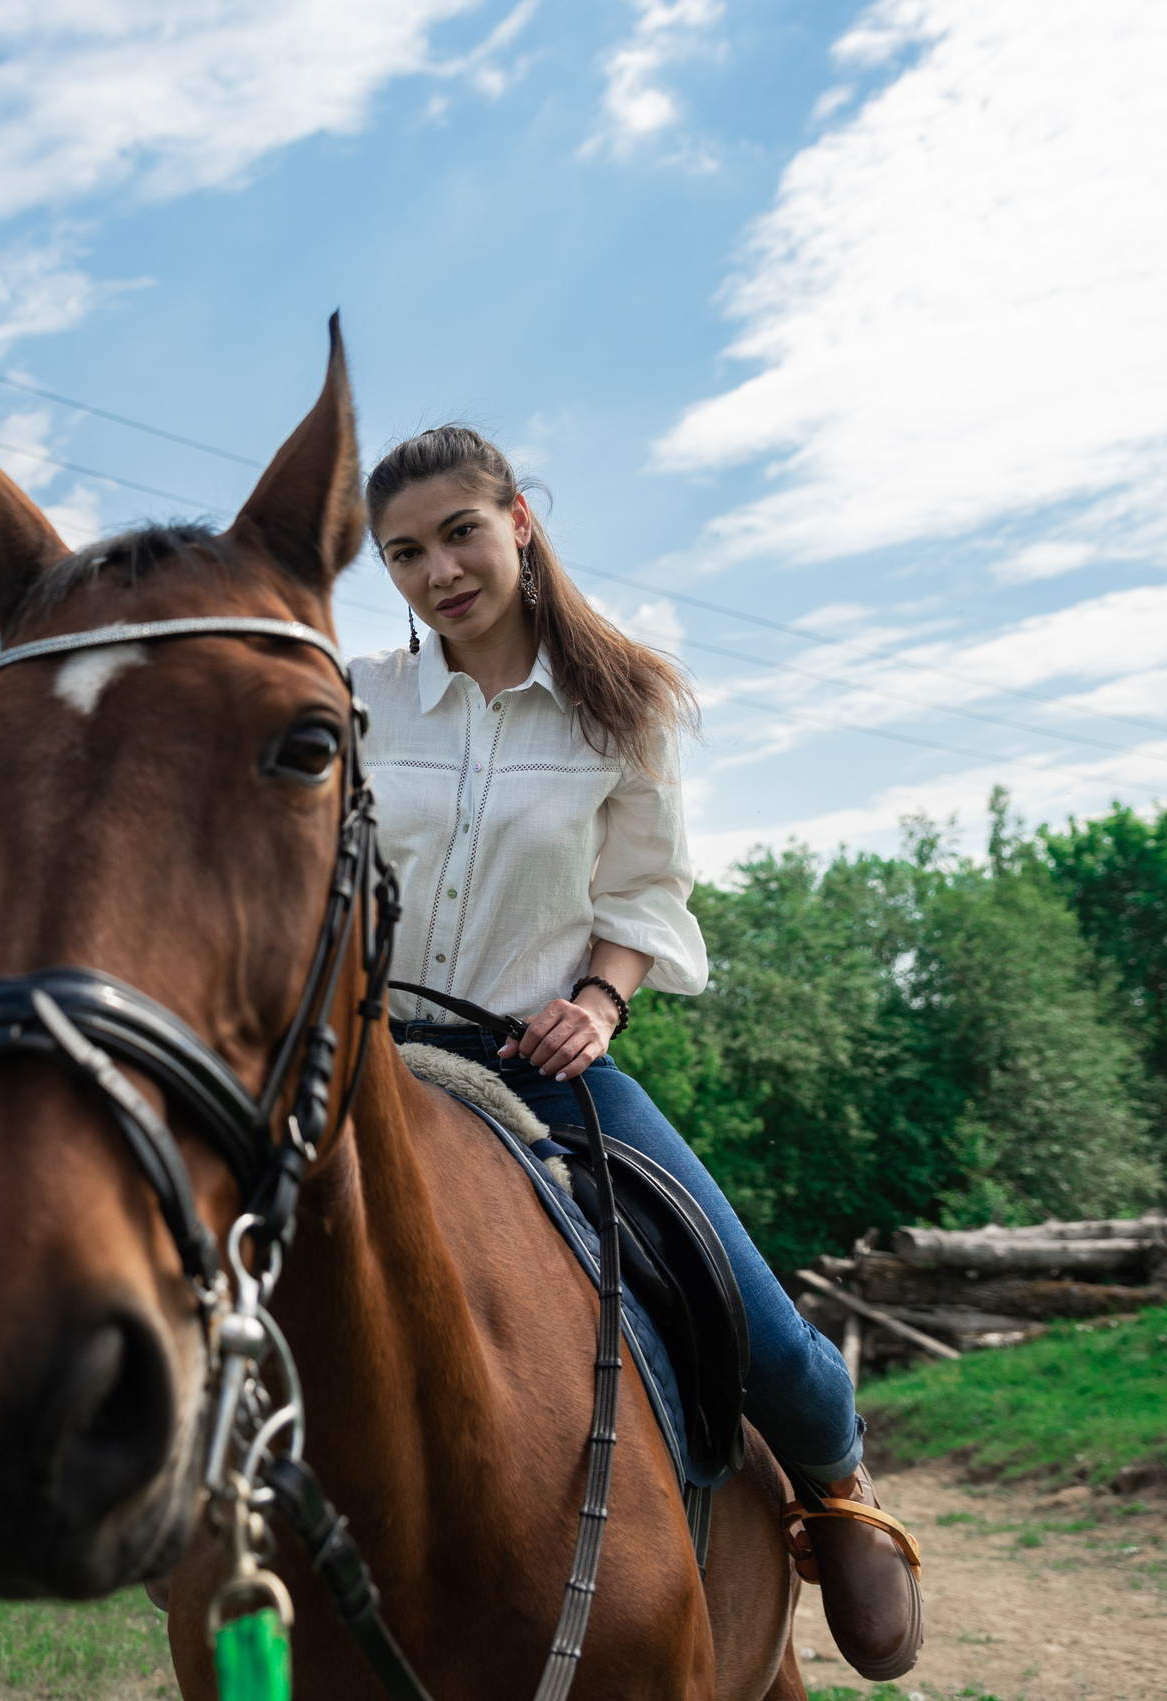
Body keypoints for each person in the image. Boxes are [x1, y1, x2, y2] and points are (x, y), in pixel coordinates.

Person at [355, 425, 923, 1680]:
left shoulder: (625, 706)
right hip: (373, 1060)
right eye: (403, 552)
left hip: (544, 1059)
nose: (437, 570)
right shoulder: (358, 702)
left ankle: (836, 1488)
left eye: (457, 532)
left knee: (758, 1320)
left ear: (518, 520)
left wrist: (599, 1005)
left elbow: (648, 898)